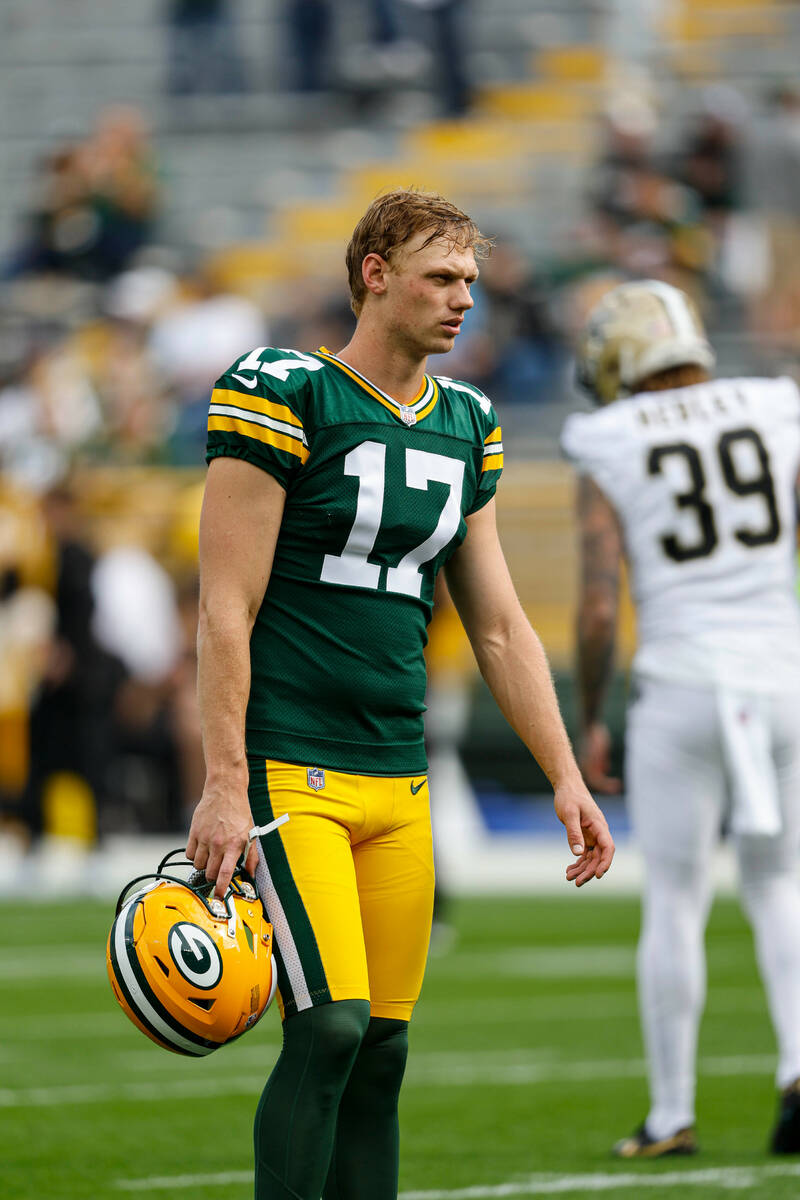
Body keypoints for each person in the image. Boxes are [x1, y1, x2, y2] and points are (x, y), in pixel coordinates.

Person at [186, 188, 615, 1200]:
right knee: (328, 1024)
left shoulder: (465, 421)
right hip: (292, 763)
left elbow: (501, 624)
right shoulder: (285, 391)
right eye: (439, 277)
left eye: (469, 280)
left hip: (397, 773)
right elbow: (222, 607)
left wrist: (565, 775)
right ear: (373, 274)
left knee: (381, 1053)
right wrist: (220, 780)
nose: (463, 299)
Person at [562, 278, 800, 1158]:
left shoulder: (607, 434)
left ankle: (671, 1112)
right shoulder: (776, 405)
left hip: (682, 683)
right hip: (780, 679)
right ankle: (797, 1066)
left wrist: (589, 714)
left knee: (675, 900)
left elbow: (594, 606)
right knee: (781, 885)